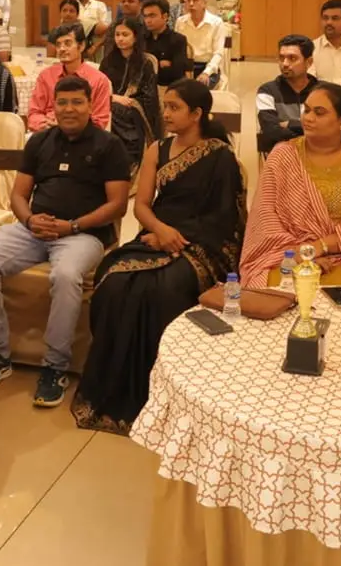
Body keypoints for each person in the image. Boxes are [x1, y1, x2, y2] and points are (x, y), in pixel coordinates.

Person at [71, 80, 246, 433]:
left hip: (203, 246)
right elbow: (142, 205)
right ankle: (112, 390)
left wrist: (177, 238)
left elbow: (224, 218)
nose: (165, 113)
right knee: (113, 281)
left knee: (163, 290)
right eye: (165, 106)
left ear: (197, 114)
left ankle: (163, 394)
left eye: (174, 107)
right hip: (155, 236)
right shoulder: (158, 149)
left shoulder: (221, 157)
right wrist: (159, 231)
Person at [0, 77, 131, 406]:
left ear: (90, 105)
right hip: (33, 230)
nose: (69, 109)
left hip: (83, 234)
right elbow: (18, 195)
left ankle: (55, 366)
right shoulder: (40, 141)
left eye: (77, 102)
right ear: (53, 106)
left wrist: (72, 226)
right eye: (62, 102)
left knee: (65, 275)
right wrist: (29, 220)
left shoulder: (109, 146)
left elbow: (118, 205)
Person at [241, 83, 341, 289]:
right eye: (307, 110)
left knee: (337, 293)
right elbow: (265, 219)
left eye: (319, 112)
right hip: (286, 255)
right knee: (277, 289)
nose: (308, 118)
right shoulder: (283, 155)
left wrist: (321, 246)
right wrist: (301, 254)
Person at [99, 17, 163, 167]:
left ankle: (125, 158)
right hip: (109, 102)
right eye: (117, 34)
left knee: (114, 111)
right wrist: (113, 97)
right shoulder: (108, 61)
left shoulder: (145, 63)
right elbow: (99, 87)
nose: (120, 39)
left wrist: (130, 102)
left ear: (135, 37)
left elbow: (149, 97)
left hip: (135, 110)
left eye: (125, 34)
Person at [27, 24, 112, 132]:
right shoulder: (46, 76)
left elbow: (99, 121)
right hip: (49, 132)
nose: (62, 49)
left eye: (67, 43)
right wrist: (49, 126)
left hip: (84, 137)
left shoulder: (98, 80)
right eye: (58, 45)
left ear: (81, 46)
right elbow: (34, 114)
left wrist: (67, 126)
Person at [256, 35, 317, 155]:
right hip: (281, 156)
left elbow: (331, 128)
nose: (285, 64)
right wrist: (311, 134)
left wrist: (290, 124)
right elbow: (271, 131)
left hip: (320, 156)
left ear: (309, 62)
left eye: (292, 58)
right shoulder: (267, 91)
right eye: (281, 58)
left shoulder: (323, 92)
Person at [176, 0, 227, 88]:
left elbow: (218, 53)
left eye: (195, 0)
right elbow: (176, 49)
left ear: (204, 3)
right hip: (186, 66)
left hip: (207, 66)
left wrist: (206, 73)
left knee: (197, 89)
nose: (191, 4)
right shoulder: (180, 21)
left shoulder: (216, 23)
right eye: (188, 0)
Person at [140, 0, 190, 86]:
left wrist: (152, 66)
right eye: (145, 16)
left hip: (169, 87)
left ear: (165, 16)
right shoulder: (140, 38)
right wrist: (160, 65)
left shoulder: (178, 39)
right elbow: (136, 69)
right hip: (143, 86)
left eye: (152, 16)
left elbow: (177, 73)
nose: (148, 20)